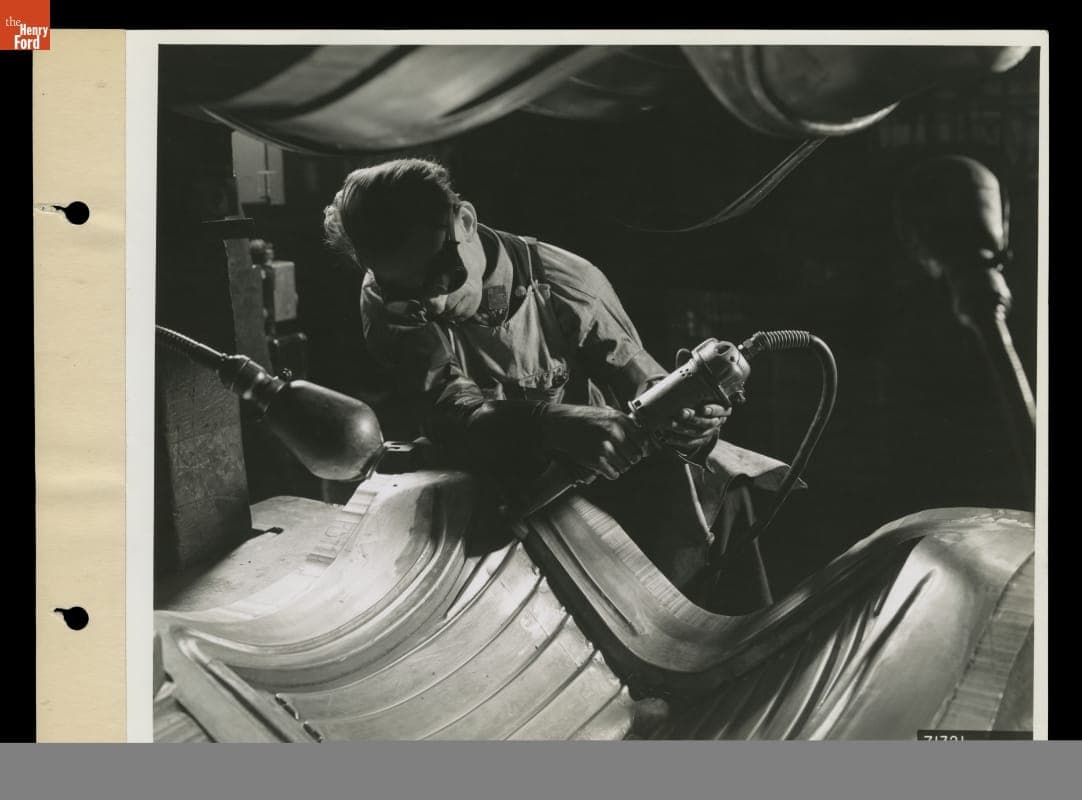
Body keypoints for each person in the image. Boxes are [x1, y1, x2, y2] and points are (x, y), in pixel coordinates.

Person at [323, 158, 788, 592]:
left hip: (597, 470)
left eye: (442, 277)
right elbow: (452, 411)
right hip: (479, 469)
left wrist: (689, 425)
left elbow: (645, 385)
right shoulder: (385, 299)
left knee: (721, 500)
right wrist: (549, 423)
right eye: (407, 293)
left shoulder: (569, 285)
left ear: (464, 221)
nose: (435, 303)